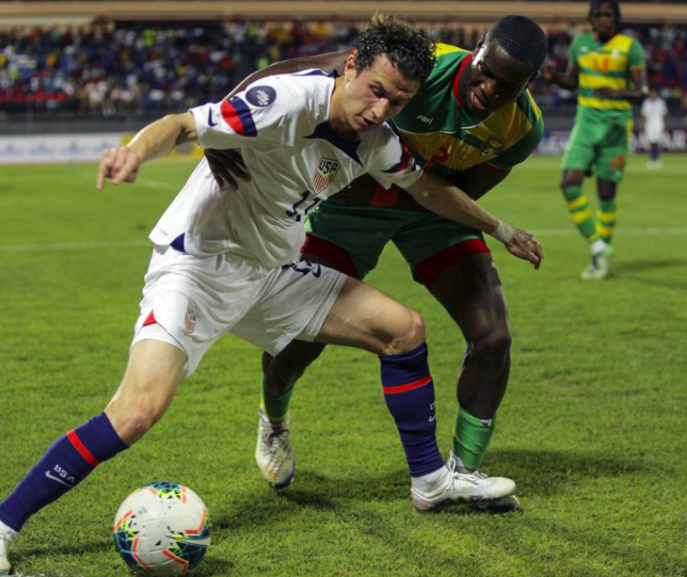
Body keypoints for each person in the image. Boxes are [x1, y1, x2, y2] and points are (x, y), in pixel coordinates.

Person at [0, 17, 543, 576]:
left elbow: (431, 191)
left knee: (403, 330)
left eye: (398, 102)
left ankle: (431, 482)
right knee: (136, 412)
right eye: (375, 91)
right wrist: (134, 151)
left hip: (273, 272)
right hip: (199, 269)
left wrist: (501, 230)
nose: (380, 111)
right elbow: (181, 125)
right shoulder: (286, 101)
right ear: (350, 67)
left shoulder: (376, 141)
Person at [207, 15, 547, 511]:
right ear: (477, 48)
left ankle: (463, 472)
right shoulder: (424, 67)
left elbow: (463, 193)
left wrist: (491, 225)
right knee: (300, 339)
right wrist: (223, 120)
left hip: (434, 211)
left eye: (507, 85)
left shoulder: (523, 129)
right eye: (486, 71)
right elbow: (290, 73)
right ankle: (273, 420)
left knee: (493, 335)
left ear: (530, 84)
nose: (488, 89)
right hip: (353, 206)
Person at [543, 0, 647, 280]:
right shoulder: (580, 43)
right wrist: (555, 79)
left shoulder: (630, 47)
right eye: (597, 14)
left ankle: (599, 258)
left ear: (616, 18)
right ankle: (597, 245)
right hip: (586, 124)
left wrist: (617, 93)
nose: (602, 19)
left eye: (608, 14)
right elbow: (573, 81)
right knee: (569, 183)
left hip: (616, 128)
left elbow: (642, 91)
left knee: (606, 193)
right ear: (590, 19)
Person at [640, 88, 667, 169]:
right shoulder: (646, 103)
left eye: (654, 93)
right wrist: (642, 125)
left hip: (658, 123)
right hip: (649, 124)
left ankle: (656, 159)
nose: (653, 94)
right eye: (652, 93)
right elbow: (644, 115)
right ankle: (652, 158)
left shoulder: (661, 102)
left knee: (657, 142)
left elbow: (664, 115)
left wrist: (664, 125)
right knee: (651, 142)